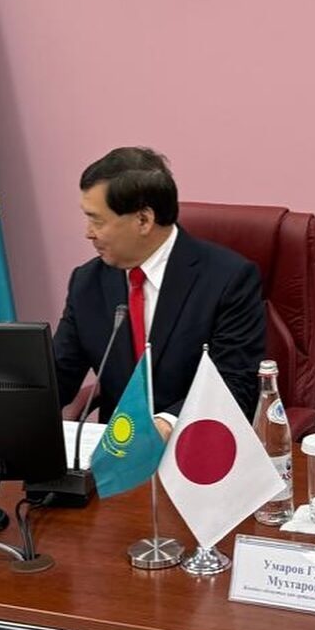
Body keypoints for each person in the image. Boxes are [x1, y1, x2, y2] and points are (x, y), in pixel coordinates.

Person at [53, 147, 266, 440]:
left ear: (143, 220)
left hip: (198, 447)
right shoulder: (87, 283)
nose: (88, 232)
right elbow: (58, 377)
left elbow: (234, 384)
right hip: (117, 454)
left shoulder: (229, 279)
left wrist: (165, 425)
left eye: (97, 220)